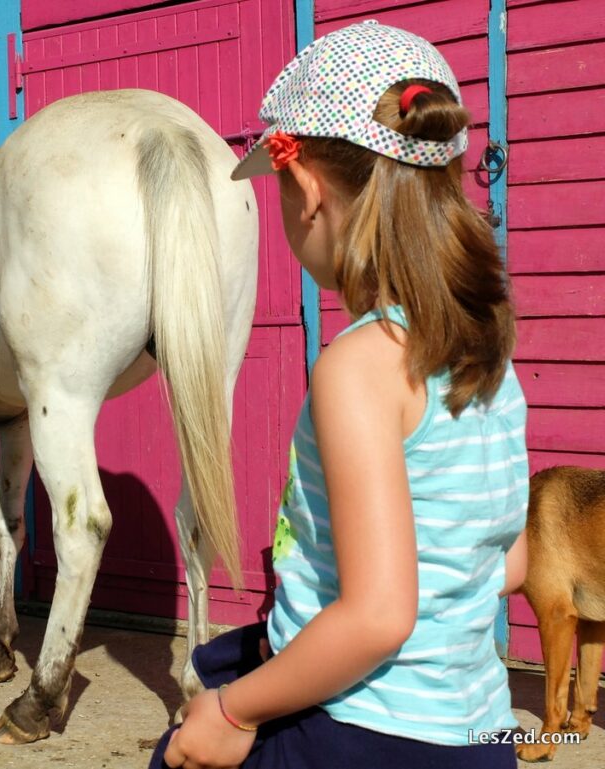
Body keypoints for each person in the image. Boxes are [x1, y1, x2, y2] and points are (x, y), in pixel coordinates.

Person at [156, 21, 528, 769]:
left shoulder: (358, 365)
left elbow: (381, 615)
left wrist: (232, 710)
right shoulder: (482, 344)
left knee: (183, 748)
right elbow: (506, 562)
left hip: (365, 732)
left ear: (308, 190)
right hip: (480, 728)